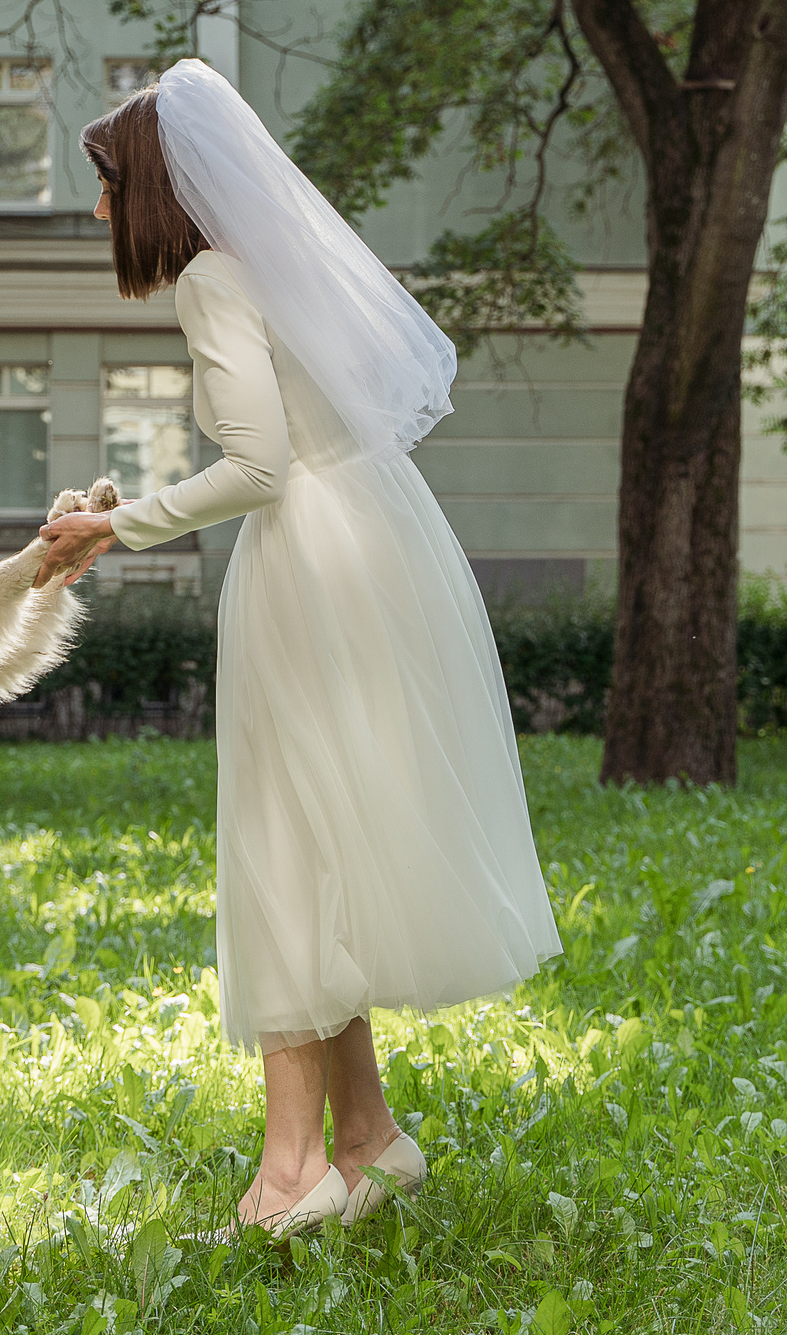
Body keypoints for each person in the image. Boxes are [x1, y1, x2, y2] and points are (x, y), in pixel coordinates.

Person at [35, 60, 562, 1237]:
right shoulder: (272, 271)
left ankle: (290, 1174)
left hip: (307, 560)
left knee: (284, 846)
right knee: (322, 842)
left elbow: (259, 468)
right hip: (370, 543)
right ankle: (367, 1138)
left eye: (112, 190)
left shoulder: (213, 281)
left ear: (155, 188)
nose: (107, 215)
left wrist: (114, 525)